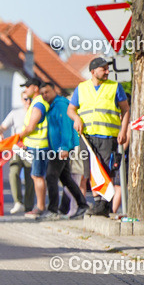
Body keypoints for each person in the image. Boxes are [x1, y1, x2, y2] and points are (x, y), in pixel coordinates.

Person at [68, 57, 130, 216]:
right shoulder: (81, 88)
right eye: (104, 69)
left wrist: (123, 131)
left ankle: (104, 204)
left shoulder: (115, 87)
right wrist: (76, 119)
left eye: (107, 69)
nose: (108, 71)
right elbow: (71, 110)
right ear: (93, 71)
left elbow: (125, 109)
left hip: (108, 136)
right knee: (91, 170)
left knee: (106, 169)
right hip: (87, 137)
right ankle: (98, 203)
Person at [41, 81, 88, 219]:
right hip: (57, 148)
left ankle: (53, 210)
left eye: (47, 92)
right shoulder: (52, 106)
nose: (45, 95)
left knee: (51, 176)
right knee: (66, 179)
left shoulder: (60, 105)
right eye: (42, 93)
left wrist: (65, 147)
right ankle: (82, 205)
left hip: (60, 149)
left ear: (54, 90)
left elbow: (66, 127)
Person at [0, 94, 34, 214]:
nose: (28, 102)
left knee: (30, 177)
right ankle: (18, 202)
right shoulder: (15, 113)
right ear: (22, 100)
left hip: (31, 148)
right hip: (17, 149)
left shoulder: (36, 111)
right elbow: (2, 127)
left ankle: (29, 207)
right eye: (26, 99)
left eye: (30, 99)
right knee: (13, 172)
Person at [16, 77, 50, 217]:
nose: (25, 90)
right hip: (37, 145)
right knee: (37, 176)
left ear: (35, 88)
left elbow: (31, 127)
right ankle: (41, 206)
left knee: (37, 176)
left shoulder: (38, 104)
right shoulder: (37, 102)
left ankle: (40, 207)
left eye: (27, 86)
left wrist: (19, 136)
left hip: (39, 146)